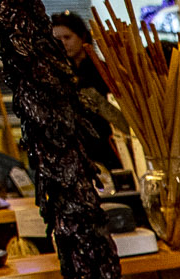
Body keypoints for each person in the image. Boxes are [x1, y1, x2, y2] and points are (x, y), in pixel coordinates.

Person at [49, 12, 121, 173]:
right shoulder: (56, 75)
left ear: (82, 37)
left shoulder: (104, 71)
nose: (62, 44)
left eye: (67, 37)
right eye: (57, 40)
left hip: (108, 146)